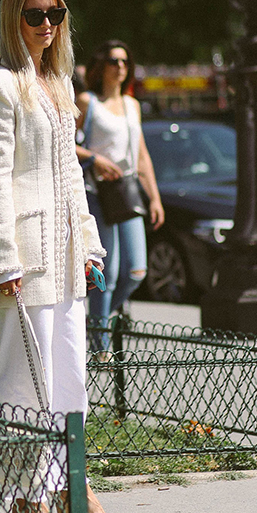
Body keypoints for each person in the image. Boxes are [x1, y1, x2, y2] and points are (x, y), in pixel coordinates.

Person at [0, 0, 126, 513]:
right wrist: (4, 259)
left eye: (55, 15)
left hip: (66, 259)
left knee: (69, 379)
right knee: (25, 385)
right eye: (35, 15)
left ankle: (72, 489)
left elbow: (71, 178)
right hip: (26, 258)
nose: (46, 25)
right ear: (14, 19)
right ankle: (27, 500)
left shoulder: (61, 86)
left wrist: (89, 246)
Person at [76, 41, 163, 353]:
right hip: (98, 193)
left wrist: (154, 197)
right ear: (102, 66)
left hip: (127, 193)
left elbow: (141, 156)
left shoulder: (132, 105)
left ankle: (95, 322)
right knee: (107, 272)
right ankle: (100, 348)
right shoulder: (88, 102)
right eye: (114, 60)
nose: (121, 66)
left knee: (136, 270)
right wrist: (94, 159)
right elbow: (64, 142)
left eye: (125, 61)